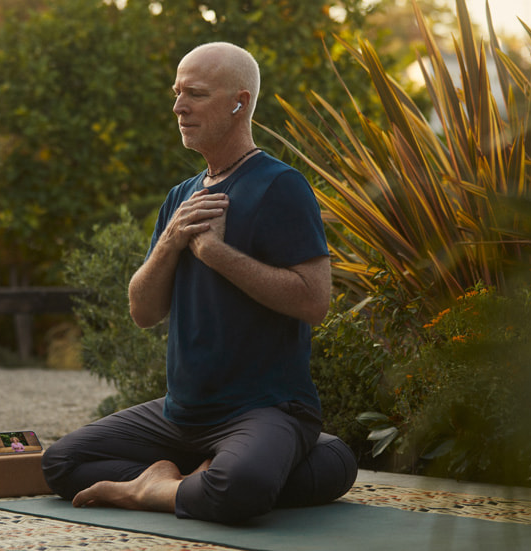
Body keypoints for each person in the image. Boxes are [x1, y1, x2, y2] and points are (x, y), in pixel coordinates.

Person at [42, 41, 356, 524]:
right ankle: (192, 481)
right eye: (176, 92)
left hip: (264, 408)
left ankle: (163, 488)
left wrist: (216, 254)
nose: (178, 106)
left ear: (239, 101)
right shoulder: (181, 198)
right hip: (180, 415)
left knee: (249, 485)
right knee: (62, 462)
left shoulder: (281, 186)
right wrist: (170, 241)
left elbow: (315, 301)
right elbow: (144, 312)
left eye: (195, 93)